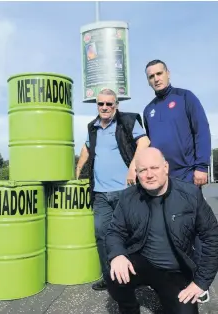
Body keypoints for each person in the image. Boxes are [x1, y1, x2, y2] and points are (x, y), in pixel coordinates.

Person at [105, 147, 218, 314]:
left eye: (154, 168)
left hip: (176, 271)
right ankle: (129, 309)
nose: (149, 175)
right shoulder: (128, 197)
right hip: (143, 263)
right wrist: (117, 255)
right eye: (143, 170)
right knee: (113, 272)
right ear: (137, 173)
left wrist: (201, 282)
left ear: (165, 167)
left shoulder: (190, 195)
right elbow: (115, 231)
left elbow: (212, 237)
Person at [76, 88, 150, 291]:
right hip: (100, 193)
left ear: (116, 105)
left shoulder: (127, 121)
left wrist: (133, 167)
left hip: (125, 191)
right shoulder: (93, 127)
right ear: (97, 105)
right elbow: (87, 148)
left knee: (133, 234)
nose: (105, 107)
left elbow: (144, 142)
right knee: (102, 234)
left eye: (110, 103)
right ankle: (110, 276)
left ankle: (137, 275)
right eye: (101, 104)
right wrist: (78, 168)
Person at [143, 59, 211, 187]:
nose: (156, 79)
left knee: (189, 208)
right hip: (160, 177)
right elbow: (149, 143)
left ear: (168, 73)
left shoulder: (185, 97)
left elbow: (201, 131)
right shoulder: (148, 110)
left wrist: (202, 167)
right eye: (151, 76)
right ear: (148, 81)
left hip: (187, 174)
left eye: (159, 73)